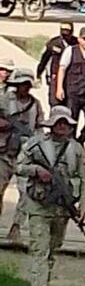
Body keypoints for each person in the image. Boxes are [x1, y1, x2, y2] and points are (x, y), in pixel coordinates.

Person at [16, 105, 85, 286]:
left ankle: (43, 282)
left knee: (53, 247)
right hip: (38, 206)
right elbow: (19, 167)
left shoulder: (76, 149)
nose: (62, 127)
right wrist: (37, 170)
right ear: (52, 124)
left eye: (66, 124)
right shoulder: (36, 144)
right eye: (58, 123)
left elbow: (84, 179)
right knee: (39, 248)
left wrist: (83, 205)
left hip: (62, 209)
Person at [0, 68, 44, 243]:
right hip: (3, 153)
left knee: (26, 194)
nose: (23, 88)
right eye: (20, 84)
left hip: (25, 155)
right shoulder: (4, 100)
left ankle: (16, 228)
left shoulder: (35, 105)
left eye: (26, 84)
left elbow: (40, 127)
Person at [36, 23, 77, 106]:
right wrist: (39, 73)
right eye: (63, 32)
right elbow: (44, 59)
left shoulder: (76, 43)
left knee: (70, 104)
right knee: (54, 102)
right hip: (55, 75)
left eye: (67, 32)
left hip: (71, 77)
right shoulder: (53, 43)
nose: (65, 36)